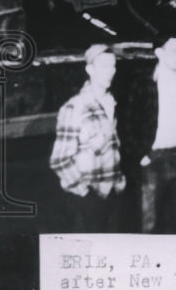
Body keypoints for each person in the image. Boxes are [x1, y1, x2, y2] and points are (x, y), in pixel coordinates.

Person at [117, 36, 176, 233]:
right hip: (152, 159)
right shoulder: (144, 82)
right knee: (148, 222)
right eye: (174, 50)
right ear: (159, 53)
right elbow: (127, 124)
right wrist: (141, 155)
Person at [49, 44, 126, 232]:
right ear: (90, 69)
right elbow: (59, 160)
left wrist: (119, 180)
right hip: (88, 200)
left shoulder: (110, 102)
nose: (111, 72)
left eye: (113, 66)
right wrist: (84, 193)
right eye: (104, 67)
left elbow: (111, 147)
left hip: (112, 193)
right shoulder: (74, 107)